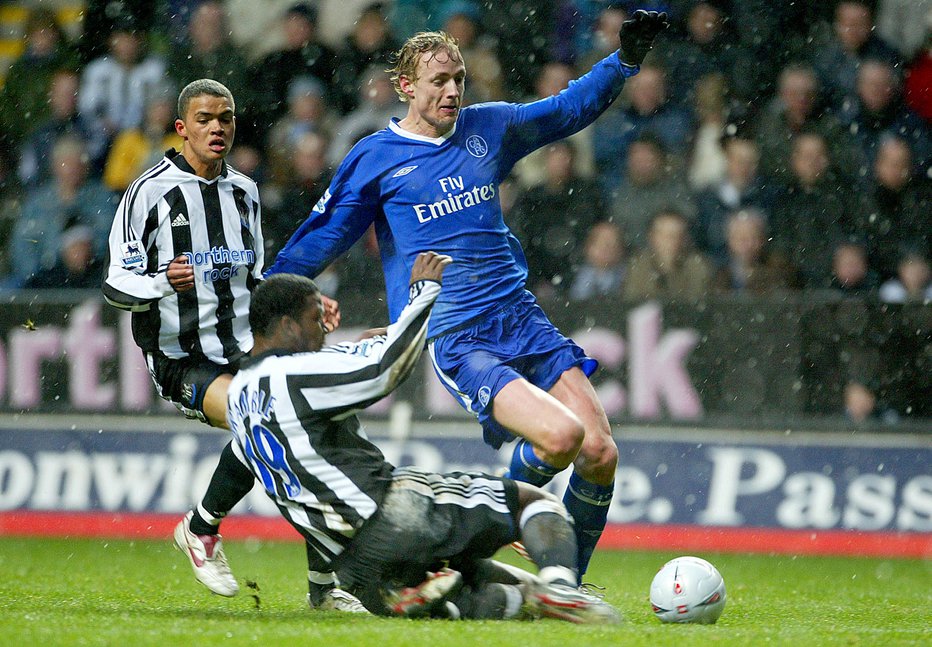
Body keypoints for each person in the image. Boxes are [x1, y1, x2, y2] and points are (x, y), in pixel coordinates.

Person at [267, 11, 670, 581]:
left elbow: (565, 111)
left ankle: (567, 586)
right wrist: (268, 298)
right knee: (560, 439)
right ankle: (480, 516)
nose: (453, 90)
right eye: (439, 81)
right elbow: (321, 239)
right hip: (457, 334)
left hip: (520, 316)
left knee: (600, 452)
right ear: (407, 86)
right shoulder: (375, 158)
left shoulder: (489, 129)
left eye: (459, 79)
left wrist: (621, 62)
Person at [228, 255, 620, 622]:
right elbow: (384, 373)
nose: (322, 331)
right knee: (533, 503)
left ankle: (454, 595)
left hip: (357, 568)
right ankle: (563, 586)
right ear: (286, 325)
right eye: (315, 320)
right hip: (393, 514)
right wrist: (424, 294)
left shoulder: (236, 396)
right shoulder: (291, 374)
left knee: (494, 592)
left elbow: (339, 372)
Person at [100, 79, 354, 611]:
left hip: (243, 348)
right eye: (205, 119)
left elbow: (257, 278)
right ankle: (200, 528)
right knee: (258, 415)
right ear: (181, 128)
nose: (218, 127)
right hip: (180, 356)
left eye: (227, 118)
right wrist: (162, 281)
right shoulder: (147, 191)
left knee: (323, 425)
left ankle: (325, 590)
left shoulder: (245, 191)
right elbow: (116, 287)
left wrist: (307, 301)